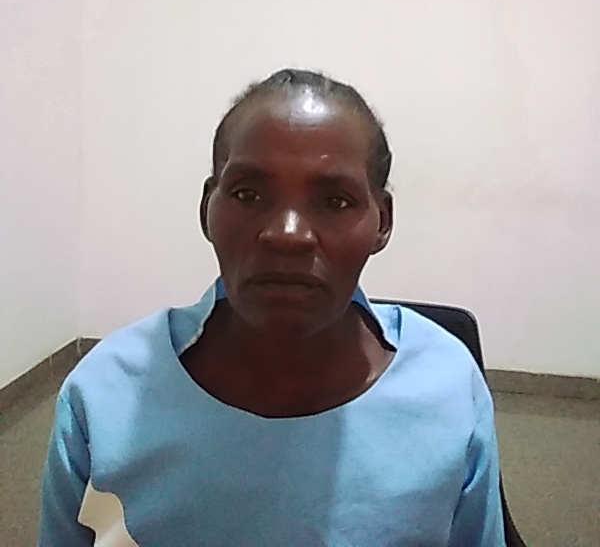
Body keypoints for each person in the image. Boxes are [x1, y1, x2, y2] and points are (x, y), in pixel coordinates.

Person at [39, 68, 506, 546]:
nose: (288, 234)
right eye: (248, 194)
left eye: (335, 201)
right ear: (207, 209)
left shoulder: (448, 388)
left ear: (382, 221)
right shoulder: (105, 395)